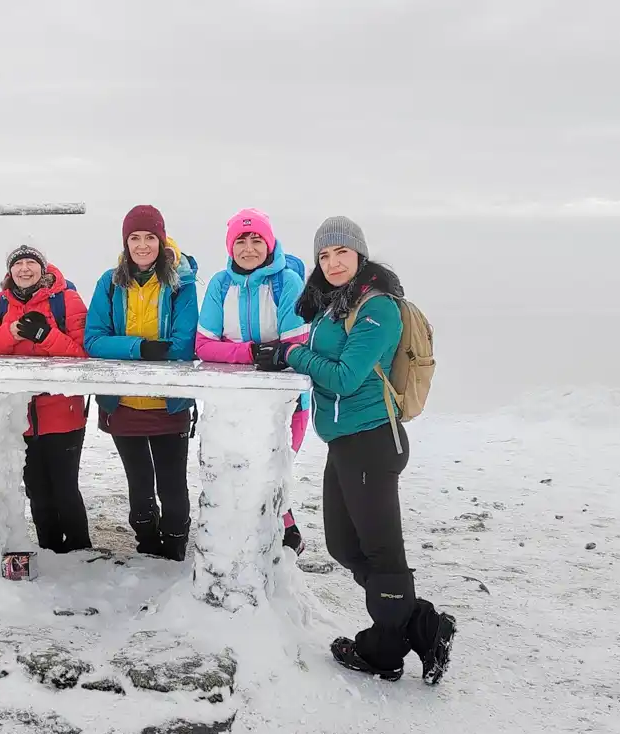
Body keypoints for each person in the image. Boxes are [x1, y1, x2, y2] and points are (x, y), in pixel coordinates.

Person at [256, 216, 456, 685]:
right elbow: (326, 355)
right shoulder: (337, 305)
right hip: (345, 441)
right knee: (345, 545)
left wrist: (290, 356)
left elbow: (346, 375)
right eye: (324, 255)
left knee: (383, 552)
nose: (331, 262)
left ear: (360, 255)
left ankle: (383, 650)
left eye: (340, 252)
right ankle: (422, 623)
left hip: (372, 441)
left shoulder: (378, 308)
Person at [84, 205, 199, 561]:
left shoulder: (182, 281)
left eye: (150, 237)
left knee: (172, 486)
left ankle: (176, 544)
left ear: (161, 240)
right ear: (125, 242)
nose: (143, 245)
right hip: (125, 404)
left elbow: (183, 344)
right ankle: (147, 545)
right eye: (135, 238)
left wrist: (150, 350)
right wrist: (142, 347)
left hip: (169, 403)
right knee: (139, 487)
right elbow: (93, 339)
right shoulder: (110, 281)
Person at [195, 208, 311, 555]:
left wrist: (239, 350)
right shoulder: (220, 284)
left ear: (269, 242)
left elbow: (296, 343)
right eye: (241, 240)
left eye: (256, 239)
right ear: (231, 247)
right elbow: (203, 345)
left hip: (287, 404)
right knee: (235, 475)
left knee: (271, 471)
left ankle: (282, 534)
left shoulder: (287, 282)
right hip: (231, 401)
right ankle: (240, 546)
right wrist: (251, 352)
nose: (248, 247)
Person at [0, 244, 92, 553]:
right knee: (38, 493)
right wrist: (11, 334)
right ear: (9, 271)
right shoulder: (1, 303)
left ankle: (81, 554)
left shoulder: (66, 299)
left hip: (62, 412)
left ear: (42, 268)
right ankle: (50, 553)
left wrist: (45, 336)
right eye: (18, 264)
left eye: (31, 262)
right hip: (20, 417)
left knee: (65, 490)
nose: (24, 268)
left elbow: (83, 355)